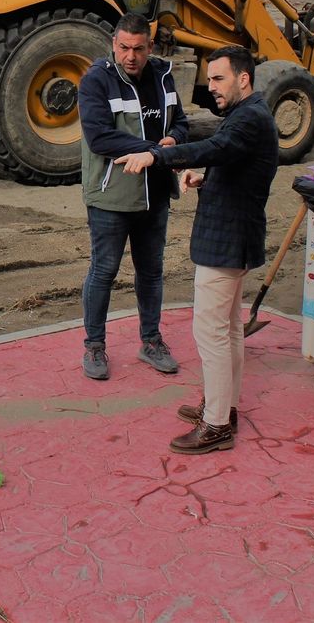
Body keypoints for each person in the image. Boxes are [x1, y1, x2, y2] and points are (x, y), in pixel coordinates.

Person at [116, 44, 278, 454]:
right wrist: (206, 182)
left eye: (220, 80)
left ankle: (217, 424)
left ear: (244, 78)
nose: (213, 89)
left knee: (210, 332)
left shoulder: (250, 119)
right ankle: (224, 407)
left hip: (226, 241)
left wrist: (157, 154)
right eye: (211, 81)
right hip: (234, 235)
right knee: (228, 330)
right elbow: (233, 166)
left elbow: (217, 150)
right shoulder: (247, 116)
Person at [77, 13, 189, 380]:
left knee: (152, 271)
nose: (131, 56)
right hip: (112, 196)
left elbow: (182, 123)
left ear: (150, 47)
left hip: (156, 194)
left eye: (138, 49)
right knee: (104, 270)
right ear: (114, 44)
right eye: (124, 48)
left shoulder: (163, 76)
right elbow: (100, 138)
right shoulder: (96, 81)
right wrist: (156, 151)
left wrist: (173, 140)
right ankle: (94, 346)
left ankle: (151, 341)